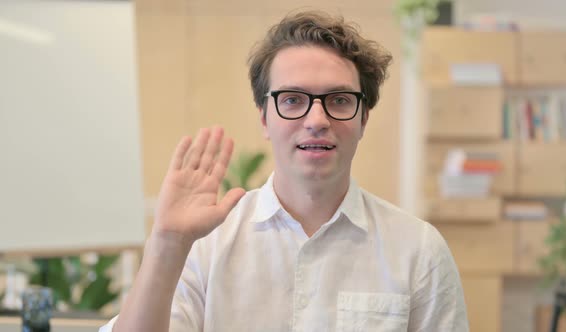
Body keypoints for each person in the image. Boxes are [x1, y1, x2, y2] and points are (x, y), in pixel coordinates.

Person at [101, 10, 468, 332]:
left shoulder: (418, 249)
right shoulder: (207, 245)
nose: (317, 120)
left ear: (363, 119)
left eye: (339, 100)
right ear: (265, 118)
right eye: (293, 100)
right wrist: (167, 243)